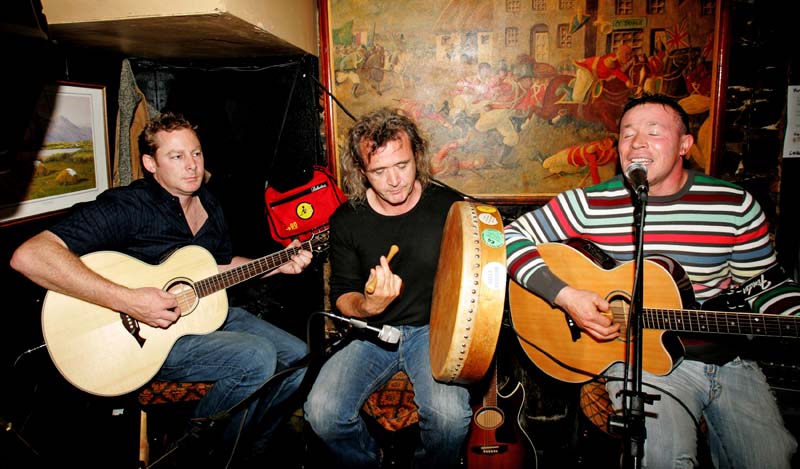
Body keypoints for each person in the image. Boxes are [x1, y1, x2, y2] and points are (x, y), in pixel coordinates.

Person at [504, 93, 797, 468]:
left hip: (727, 355)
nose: (637, 142)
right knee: (662, 459)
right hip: (638, 359)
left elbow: (765, 283)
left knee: (771, 459)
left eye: (654, 132)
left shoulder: (733, 204)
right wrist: (563, 295)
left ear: (684, 146)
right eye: (627, 134)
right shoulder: (590, 203)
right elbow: (505, 237)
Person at [9, 112, 313, 466]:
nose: (191, 166)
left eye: (196, 154)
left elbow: (215, 268)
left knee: (300, 357)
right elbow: (29, 256)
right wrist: (130, 301)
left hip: (204, 316)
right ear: (150, 163)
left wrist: (278, 263)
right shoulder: (127, 206)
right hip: (141, 337)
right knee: (256, 356)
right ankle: (202, 455)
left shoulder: (209, 205)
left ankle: (251, 445)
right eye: (177, 156)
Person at [303, 107, 471, 468]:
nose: (394, 180)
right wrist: (369, 306)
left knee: (450, 420)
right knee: (321, 412)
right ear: (361, 172)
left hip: (433, 331)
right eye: (379, 171)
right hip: (371, 334)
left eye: (403, 165)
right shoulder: (348, 219)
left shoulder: (449, 207)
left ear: (418, 158)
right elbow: (342, 296)